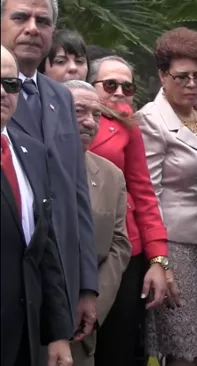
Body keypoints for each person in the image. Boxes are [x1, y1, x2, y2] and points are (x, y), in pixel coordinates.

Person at [137, 27, 197, 366]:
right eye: (181, 77)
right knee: (186, 350)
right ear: (163, 75)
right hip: (176, 249)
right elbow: (148, 192)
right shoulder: (151, 120)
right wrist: (159, 261)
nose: (192, 84)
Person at [1, 0, 98, 343]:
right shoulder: (3, 97)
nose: (31, 27)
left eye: (42, 20)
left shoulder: (60, 95)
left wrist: (87, 285)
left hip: (61, 284)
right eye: (20, 17)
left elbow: (77, 195)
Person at [87, 55, 177, 366]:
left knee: (118, 345)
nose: (120, 93)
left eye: (128, 87)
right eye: (110, 84)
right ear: (91, 84)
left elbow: (143, 192)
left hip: (124, 250)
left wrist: (158, 260)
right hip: (77, 244)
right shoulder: (61, 118)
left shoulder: (128, 126)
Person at [1, 45, 73, 366]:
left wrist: (57, 333)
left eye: (10, 83)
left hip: (23, 337)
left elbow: (44, 247)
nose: (3, 92)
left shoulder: (30, 150)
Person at [64, 79, 132, 366]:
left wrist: (92, 302)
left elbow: (119, 243)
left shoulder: (111, 175)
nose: (89, 122)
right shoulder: (29, 166)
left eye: (96, 115)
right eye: (79, 111)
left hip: (81, 328)